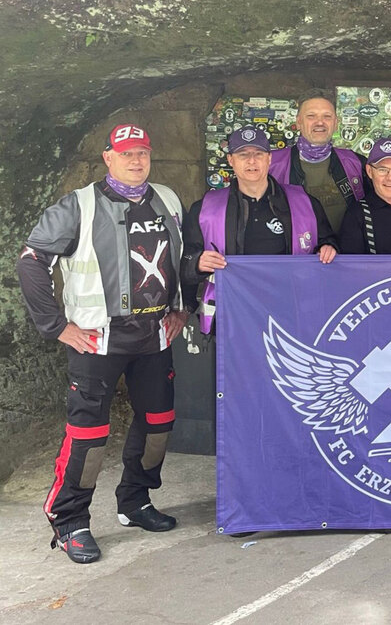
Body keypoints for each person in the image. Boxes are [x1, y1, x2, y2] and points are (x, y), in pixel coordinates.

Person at [17, 124, 189, 563]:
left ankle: (135, 502)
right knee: (89, 434)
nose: (136, 161)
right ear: (108, 157)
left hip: (153, 337)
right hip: (97, 342)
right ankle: (71, 520)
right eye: (127, 153)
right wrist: (56, 326)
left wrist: (179, 310)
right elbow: (32, 262)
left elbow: (178, 260)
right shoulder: (79, 205)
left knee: (159, 423)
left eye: (144, 153)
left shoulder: (167, 199)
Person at [182, 125, 337, 335]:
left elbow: (328, 244)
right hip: (232, 317)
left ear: (269, 159)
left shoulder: (305, 203)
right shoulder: (205, 209)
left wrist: (329, 248)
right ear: (231, 161)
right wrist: (198, 263)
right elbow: (186, 260)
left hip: (290, 315)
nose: (251, 161)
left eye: (258, 154)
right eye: (243, 154)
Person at [269, 89, 366, 231]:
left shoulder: (355, 162)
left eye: (327, 116)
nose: (320, 122)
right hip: (295, 251)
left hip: (348, 251)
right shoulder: (271, 164)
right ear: (299, 122)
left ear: (336, 123)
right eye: (311, 116)